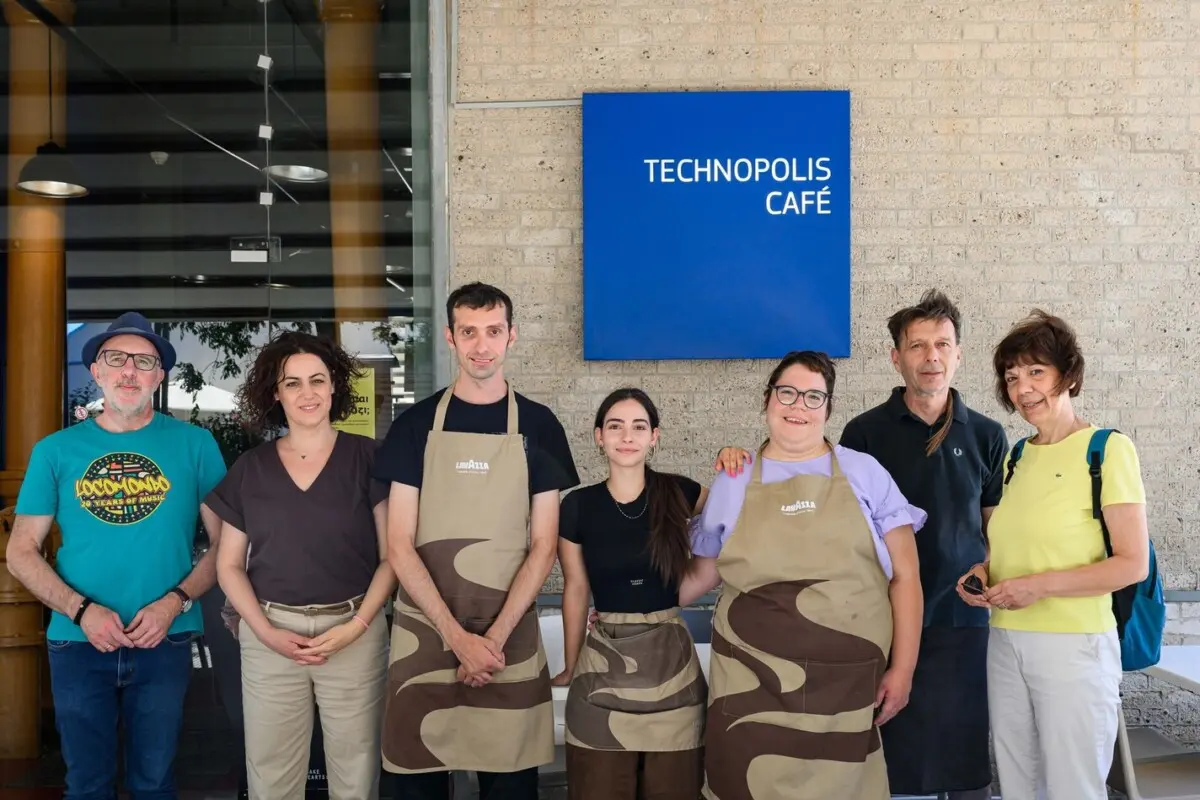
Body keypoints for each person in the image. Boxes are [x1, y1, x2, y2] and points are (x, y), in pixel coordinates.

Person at [718, 291, 1006, 798]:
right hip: (878, 628)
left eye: (942, 345)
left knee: (964, 768)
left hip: (961, 624)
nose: (931, 357)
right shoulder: (864, 435)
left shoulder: (987, 435)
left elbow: (996, 531)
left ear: (959, 354)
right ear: (896, 358)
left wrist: (993, 573)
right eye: (917, 346)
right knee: (883, 762)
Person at [684, 350, 925, 800]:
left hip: (847, 690)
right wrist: (632, 607)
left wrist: (904, 668)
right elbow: (702, 575)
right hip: (752, 686)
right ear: (767, 399)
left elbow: (906, 577)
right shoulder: (734, 479)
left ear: (828, 409)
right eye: (788, 393)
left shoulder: (865, 473)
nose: (799, 406)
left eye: (814, 397)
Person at [5, 311, 226, 800]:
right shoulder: (55, 451)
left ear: (159, 376)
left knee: (155, 784)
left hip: (165, 637)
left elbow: (226, 545)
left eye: (143, 361)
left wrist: (174, 603)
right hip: (77, 641)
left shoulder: (196, 444)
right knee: (86, 786)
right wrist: (81, 610)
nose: (129, 370)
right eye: (116, 359)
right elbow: (20, 551)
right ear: (96, 371)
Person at [374, 282, 580, 800]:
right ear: (450, 337)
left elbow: (544, 545)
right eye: (468, 332)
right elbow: (399, 544)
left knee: (510, 784)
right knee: (415, 783)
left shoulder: (539, 425)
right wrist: (458, 639)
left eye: (493, 331)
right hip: (426, 633)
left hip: (507, 637)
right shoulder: (415, 424)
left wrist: (492, 640)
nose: (481, 345)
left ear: (512, 336)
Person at [957, 310, 1149, 800]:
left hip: (1074, 645)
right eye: (1011, 377)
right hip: (1005, 640)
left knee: (1073, 787)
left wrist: (1036, 587)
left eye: (1036, 372)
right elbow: (1016, 545)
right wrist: (984, 572)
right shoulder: (1017, 456)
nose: (1022, 388)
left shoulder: (1106, 450)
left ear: (1069, 376)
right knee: (1018, 783)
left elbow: (1132, 564)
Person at [207, 331, 395, 800]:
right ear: (276, 393)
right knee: (271, 775)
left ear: (334, 387)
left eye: (317, 380)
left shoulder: (369, 457)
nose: (307, 393)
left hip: (354, 630)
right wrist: (265, 632)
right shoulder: (251, 467)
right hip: (271, 633)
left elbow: (393, 557)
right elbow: (228, 565)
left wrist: (357, 626)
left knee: (357, 773)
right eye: (292, 383)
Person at [556, 388, 709, 800]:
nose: (627, 436)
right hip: (600, 670)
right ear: (599, 436)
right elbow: (576, 588)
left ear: (654, 436)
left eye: (639, 427)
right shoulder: (577, 505)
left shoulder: (681, 492)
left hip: (673, 672)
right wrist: (571, 666)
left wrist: (731, 462)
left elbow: (729, 525)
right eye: (615, 426)